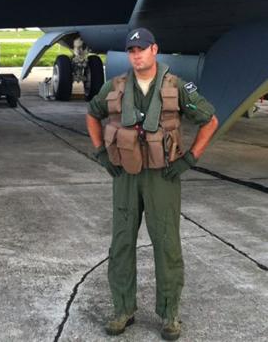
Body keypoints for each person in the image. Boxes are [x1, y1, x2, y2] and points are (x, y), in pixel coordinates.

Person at [86, 28, 218, 340]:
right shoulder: (115, 86)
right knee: (121, 244)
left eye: (141, 49)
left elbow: (209, 121)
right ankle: (123, 310)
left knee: (167, 246)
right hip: (126, 177)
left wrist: (190, 159)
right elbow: (92, 115)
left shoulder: (176, 87)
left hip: (163, 177)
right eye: (131, 51)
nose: (136, 55)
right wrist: (102, 154)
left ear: (154, 50)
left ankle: (170, 314)